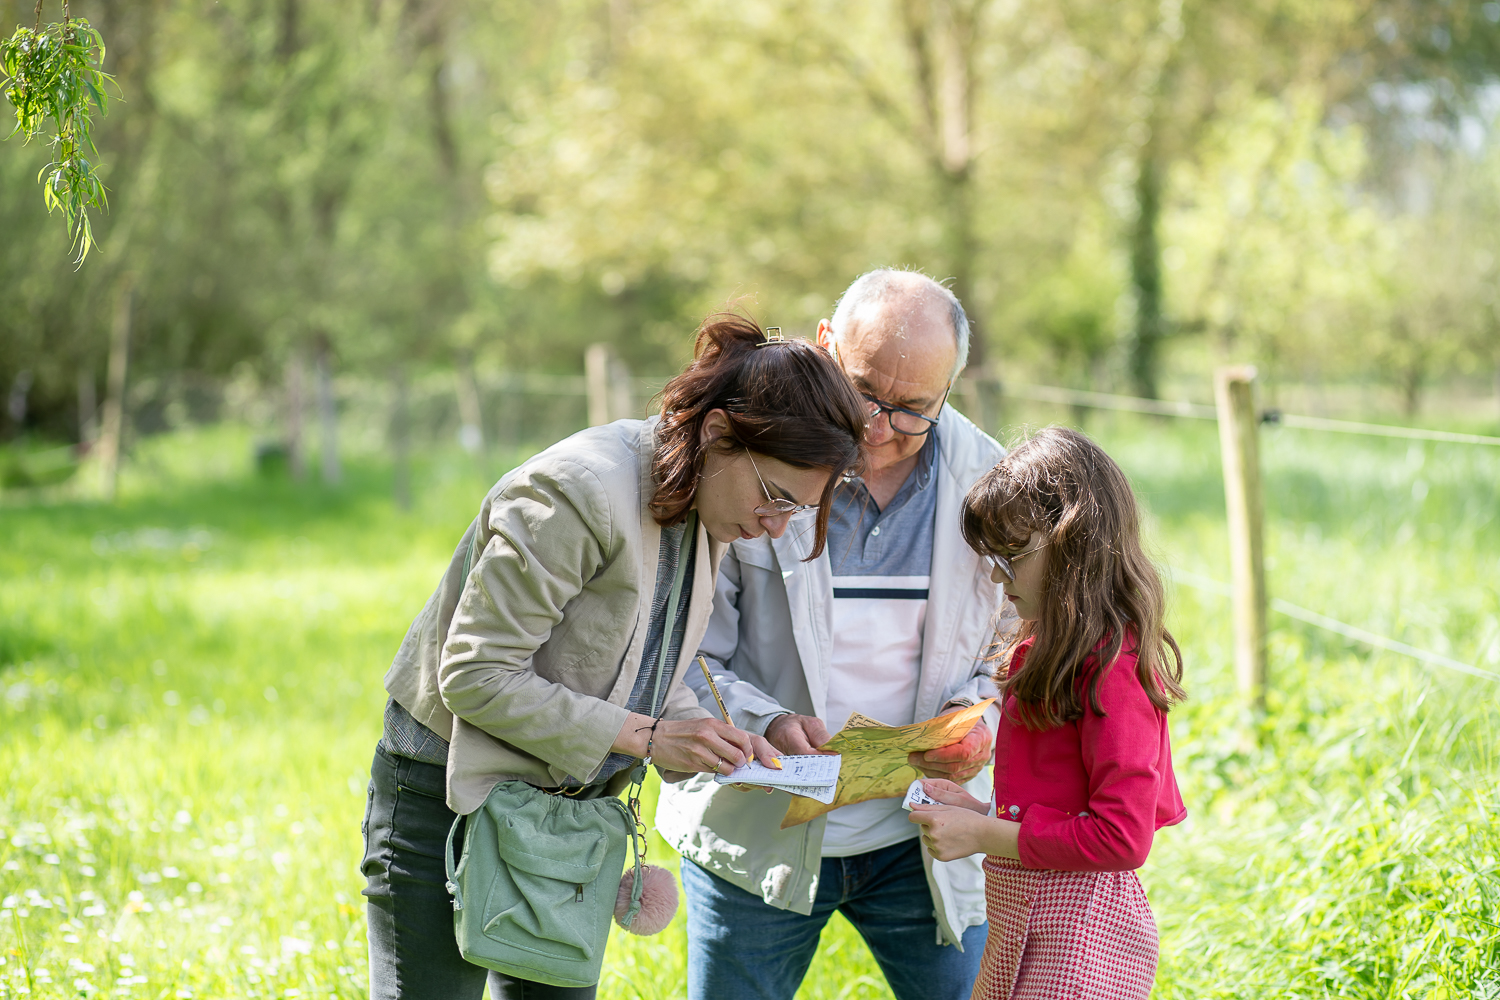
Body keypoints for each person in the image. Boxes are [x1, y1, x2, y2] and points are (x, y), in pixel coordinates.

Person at [360, 314, 869, 1000]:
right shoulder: (576, 492)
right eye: (775, 497)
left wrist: (729, 733)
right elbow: (475, 675)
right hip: (446, 792)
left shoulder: (708, 503)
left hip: (563, 814)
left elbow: (641, 663)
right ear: (719, 435)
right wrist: (652, 738)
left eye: (798, 511)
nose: (775, 527)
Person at [657, 270, 1009, 1000]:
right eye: (864, 393)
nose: (878, 428)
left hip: (923, 837)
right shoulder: (746, 461)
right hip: (757, 829)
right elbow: (679, 649)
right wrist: (770, 721)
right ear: (824, 345)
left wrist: (984, 720)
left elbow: (1015, 644)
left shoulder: (994, 480)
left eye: (914, 409)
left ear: (950, 391)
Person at [909, 426, 1187, 1000]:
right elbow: (1058, 806)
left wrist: (985, 832)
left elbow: (1121, 838)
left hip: (1078, 927)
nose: (995, 577)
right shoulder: (1049, 649)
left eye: (1011, 557)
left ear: (1075, 545)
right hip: (1025, 915)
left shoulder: (1112, 670)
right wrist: (979, 810)